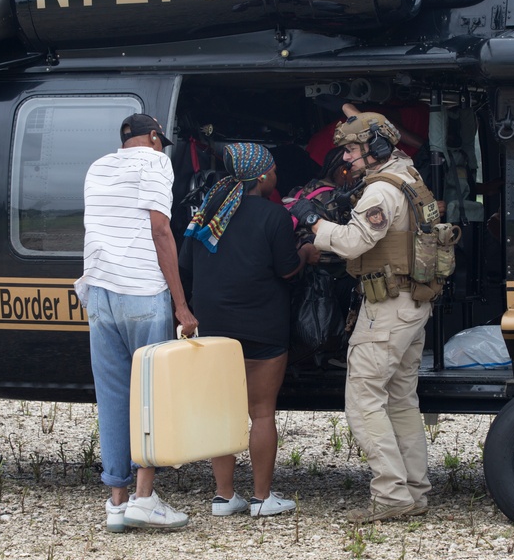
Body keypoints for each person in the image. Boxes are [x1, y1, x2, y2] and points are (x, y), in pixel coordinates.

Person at [290, 111, 442, 523]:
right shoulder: (409, 176)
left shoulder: (381, 192)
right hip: (412, 303)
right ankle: (413, 490)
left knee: (363, 402)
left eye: (353, 149)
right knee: (400, 400)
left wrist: (312, 219)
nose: (346, 157)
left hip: (388, 309)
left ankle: (391, 496)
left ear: (375, 147)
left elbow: (355, 243)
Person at [74, 113, 198, 533]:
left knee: (112, 397)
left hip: (100, 293)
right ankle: (145, 498)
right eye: (161, 141)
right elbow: (160, 230)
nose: (164, 148)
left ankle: (116, 502)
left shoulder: (96, 167)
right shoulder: (155, 163)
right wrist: (181, 305)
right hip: (143, 292)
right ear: (151, 137)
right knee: (149, 396)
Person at [180, 142, 319, 517]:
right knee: (261, 411)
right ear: (262, 177)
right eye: (273, 170)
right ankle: (261, 498)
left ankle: (224, 497)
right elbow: (288, 270)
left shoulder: (205, 214)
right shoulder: (273, 216)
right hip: (262, 326)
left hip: (213, 327)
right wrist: (307, 252)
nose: (276, 175)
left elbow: (186, 266)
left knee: (221, 412)